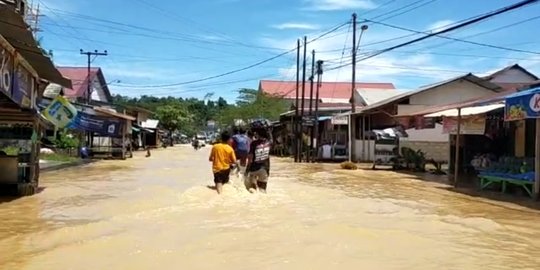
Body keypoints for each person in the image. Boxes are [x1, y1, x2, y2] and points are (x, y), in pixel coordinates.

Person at [245, 121, 272, 193]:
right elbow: (270, 136)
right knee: (262, 191)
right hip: (264, 170)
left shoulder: (253, 144)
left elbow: (250, 159)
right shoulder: (269, 143)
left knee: (251, 190)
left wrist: (246, 171)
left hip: (253, 169)